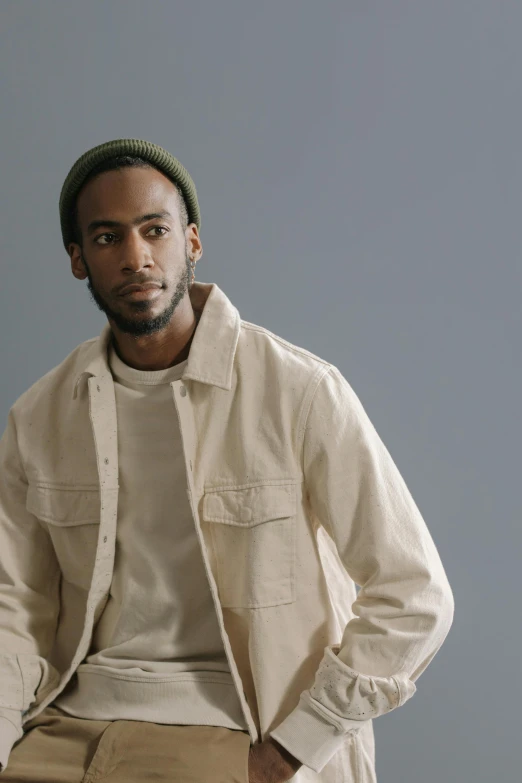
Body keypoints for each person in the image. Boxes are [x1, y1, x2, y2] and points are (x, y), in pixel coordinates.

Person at [0, 138, 454, 783]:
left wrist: (293, 749)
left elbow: (414, 595)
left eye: (154, 230)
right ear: (78, 260)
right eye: (106, 239)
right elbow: (12, 605)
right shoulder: (40, 416)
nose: (135, 257)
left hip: (236, 732)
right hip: (64, 725)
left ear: (191, 242)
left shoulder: (298, 391)